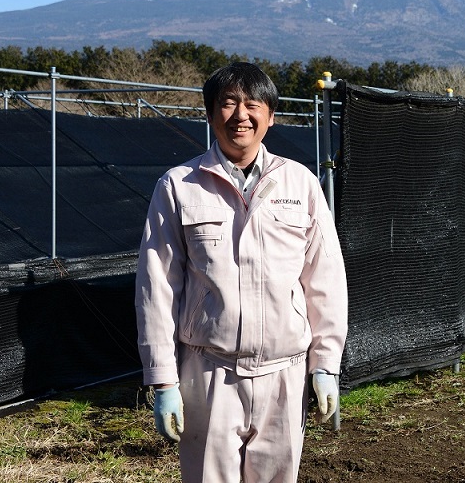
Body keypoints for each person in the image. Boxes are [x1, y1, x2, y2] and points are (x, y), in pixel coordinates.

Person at [135, 62, 348, 483]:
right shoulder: (179, 186)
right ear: (211, 113)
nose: (240, 115)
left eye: (253, 104)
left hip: (285, 372)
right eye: (228, 103)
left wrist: (325, 365)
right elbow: (156, 287)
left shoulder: (300, 184)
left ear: (271, 115)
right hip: (209, 371)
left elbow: (324, 280)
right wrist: (163, 380)